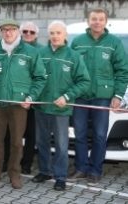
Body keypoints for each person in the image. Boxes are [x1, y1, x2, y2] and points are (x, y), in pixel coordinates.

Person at [0, 19, 46, 189]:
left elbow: (40, 77)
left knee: (17, 142)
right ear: (1, 32)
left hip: (19, 104)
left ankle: (14, 173)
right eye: (5, 30)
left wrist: (31, 97)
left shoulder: (30, 52)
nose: (8, 33)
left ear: (18, 31)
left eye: (12, 30)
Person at [69, 8, 128, 186]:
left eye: (100, 19)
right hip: (80, 96)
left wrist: (117, 95)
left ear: (105, 21)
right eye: (93, 19)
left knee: (100, 135)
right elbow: (70, 68)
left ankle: (95, 170)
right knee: (79, 134)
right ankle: (80, 168)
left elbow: (122, 71)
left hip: (102, 97)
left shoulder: (114, 43)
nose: (97, 22)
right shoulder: (78, 42)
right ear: (88, 21)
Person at [31, 20, 90, 191]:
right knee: (41, 141)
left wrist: (67, 96)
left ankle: (60, 176)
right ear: (48, 35)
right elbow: (34, 77)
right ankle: (44, 171)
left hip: (61, 109)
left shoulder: (73, 56)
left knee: (61, 144)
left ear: (65, 35)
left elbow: (84, 81)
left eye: (58, 33)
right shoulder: (40, 54)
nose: (55, 36)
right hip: (41, 107)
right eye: (52, 33)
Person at [18, 21, 43, 175]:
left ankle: (26, 164)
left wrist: (33, 95)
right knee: (15, 134)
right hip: (16, 100)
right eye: (25, 31)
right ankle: (13, 161)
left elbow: (41, 76)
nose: (28, 34)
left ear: (36, 35)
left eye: (31, 32)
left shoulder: (41, 50)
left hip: (34, 101)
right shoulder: (15, 47)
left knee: (31, 135)